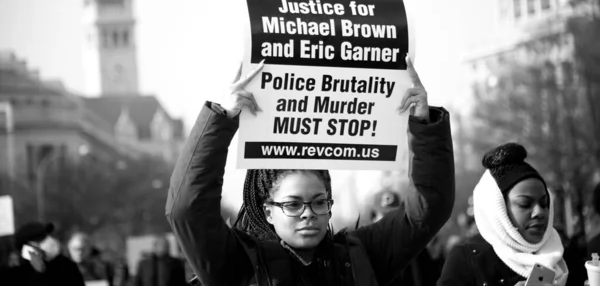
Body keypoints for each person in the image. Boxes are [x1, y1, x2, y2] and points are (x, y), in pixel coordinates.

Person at [166, 57, 455, 285]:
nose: (308, 213)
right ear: (268, 211)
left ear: (330, 207)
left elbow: (430, 208)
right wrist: (222, 119)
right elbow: (187, 210)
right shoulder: (237, 263)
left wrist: (424, 124)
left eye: (319, 202)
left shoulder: (362, 255)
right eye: (292, 204)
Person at [438, 143, 569, 286]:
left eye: (544, 204)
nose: (539, 212)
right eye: (525, 204)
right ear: (499, 210)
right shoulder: (466, 258)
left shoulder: (562, 253)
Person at [1, 221, 85, 286]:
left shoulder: (67, 267)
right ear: (27, 249)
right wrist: (39, 273)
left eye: (48, 236)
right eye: (40, 239)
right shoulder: (14, 275)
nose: (48, 241)